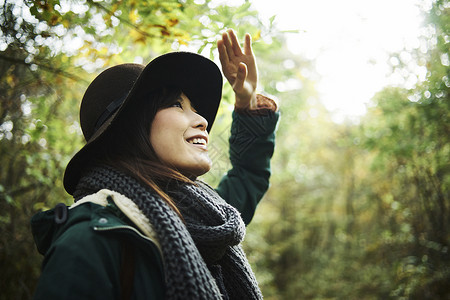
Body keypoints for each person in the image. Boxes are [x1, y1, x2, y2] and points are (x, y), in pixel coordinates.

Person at [31, 29, 279, 299]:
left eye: (195, 109)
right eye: (176, 105)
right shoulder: (91, 240)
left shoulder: (208, 219)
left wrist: (248, 101)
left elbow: (248, 174)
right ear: (130, 129)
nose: (202, 121)